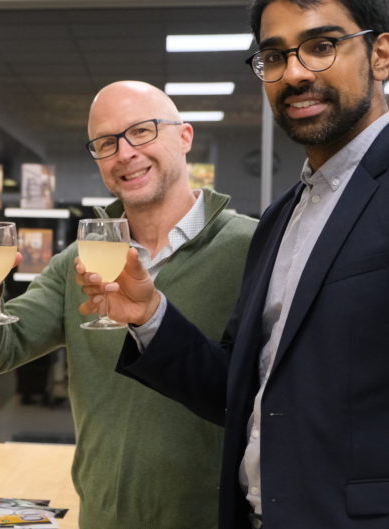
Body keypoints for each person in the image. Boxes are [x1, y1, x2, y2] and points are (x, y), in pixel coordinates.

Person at [78, 1, 389, 527]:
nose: (294, 73)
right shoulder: (280, 220)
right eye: (273, 56)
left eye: (321, 46)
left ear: (381, 55)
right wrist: (150, 314)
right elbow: (241, 394)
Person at [0, 81, 257, 529]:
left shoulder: (253, 249)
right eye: (106, 143)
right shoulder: (79, 261)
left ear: (184, 137)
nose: (124, 153)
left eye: (142, 131)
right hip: (102, 518)